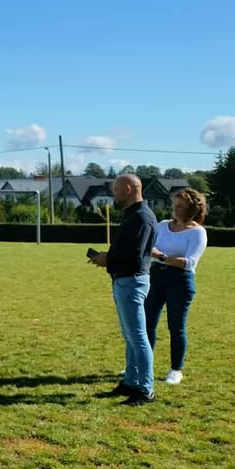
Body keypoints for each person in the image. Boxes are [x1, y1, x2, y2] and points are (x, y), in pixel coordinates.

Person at [89, 174, 158, 406]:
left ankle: (145, 389)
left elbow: (135, 255)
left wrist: (107, 258)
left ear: (129, 189)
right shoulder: (133, 215)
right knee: (130, 336)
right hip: (124, 281)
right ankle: (130, 382)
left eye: (116, 190)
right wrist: (107, 258)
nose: (114, 195)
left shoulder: (141, 217)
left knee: (138, 337)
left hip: (132, 282)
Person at [147, 187, 208, 386]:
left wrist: (162, 256)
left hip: (180, 281)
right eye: (174, 205)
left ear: (192, 209)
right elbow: (148, 246)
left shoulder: (198, 232)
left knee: (176, 326)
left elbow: (190, 262)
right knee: (146, 323)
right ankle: (143, 364)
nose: (175, 209)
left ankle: (176, 369)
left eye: (180, 206)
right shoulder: (163, 225)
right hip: (155, 277)